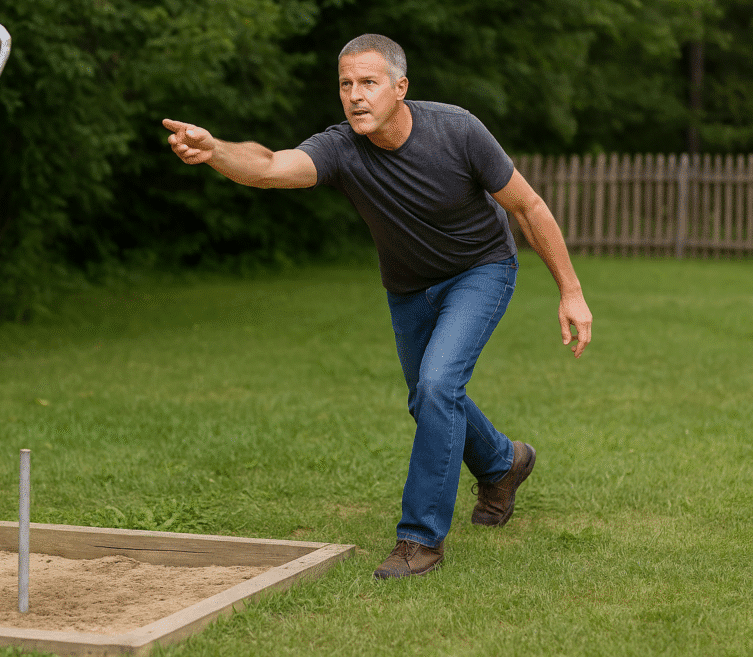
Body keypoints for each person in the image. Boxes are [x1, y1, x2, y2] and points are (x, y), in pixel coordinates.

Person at [162, 33, 592, 579]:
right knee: (428, 396)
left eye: (368, 82)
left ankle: (420, 540)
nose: (355, 96)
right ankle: (504, 463)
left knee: (438, 386)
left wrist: (570, 291)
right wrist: (215, 149)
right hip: (409, 285)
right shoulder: (341, 147)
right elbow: (270, 166)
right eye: (346, 84)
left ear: (400, 87)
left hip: (480, 269)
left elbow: (527, 206)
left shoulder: (456, 130)